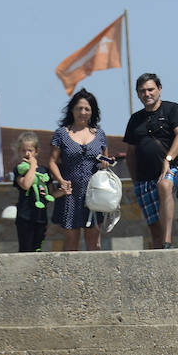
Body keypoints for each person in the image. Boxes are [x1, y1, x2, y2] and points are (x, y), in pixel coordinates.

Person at [123, 73, 178, 249]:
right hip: (144, 179)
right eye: (142, 91)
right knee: (154, 229)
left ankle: (168, 241)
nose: (147, 94)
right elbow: (130, 152)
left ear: (159, 89)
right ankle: (162, 253)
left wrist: (168, 159)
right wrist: (135, 180)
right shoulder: (135, 119)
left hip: (172, 169)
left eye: (150, 89)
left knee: (165, 185)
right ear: (138, 94)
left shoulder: (172, 109)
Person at [49, 88, 112, 251]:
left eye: (87, 109)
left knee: (93, 240)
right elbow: (52, 162)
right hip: (70, 193)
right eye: (79, 108)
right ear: (72, 109)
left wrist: (106, 164)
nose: (82, 112)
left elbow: (106, 160)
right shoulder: (61, 134)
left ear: (92, 112)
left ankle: (96, 276)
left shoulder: (100, 135)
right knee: (71, 239)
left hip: (94, 193)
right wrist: (60, 180)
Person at [13, 131, 57, 252]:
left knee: (38, 249)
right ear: (19, 152)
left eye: (30, 150)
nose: (27, 154)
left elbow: (51, 193)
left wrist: (63, 191)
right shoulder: (19, 169)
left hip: (41, 217)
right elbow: (26, 184)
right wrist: (33, 166)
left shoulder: (44, 171)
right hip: (25, 217)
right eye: (23, 150)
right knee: (26, 249)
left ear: (36, 151)